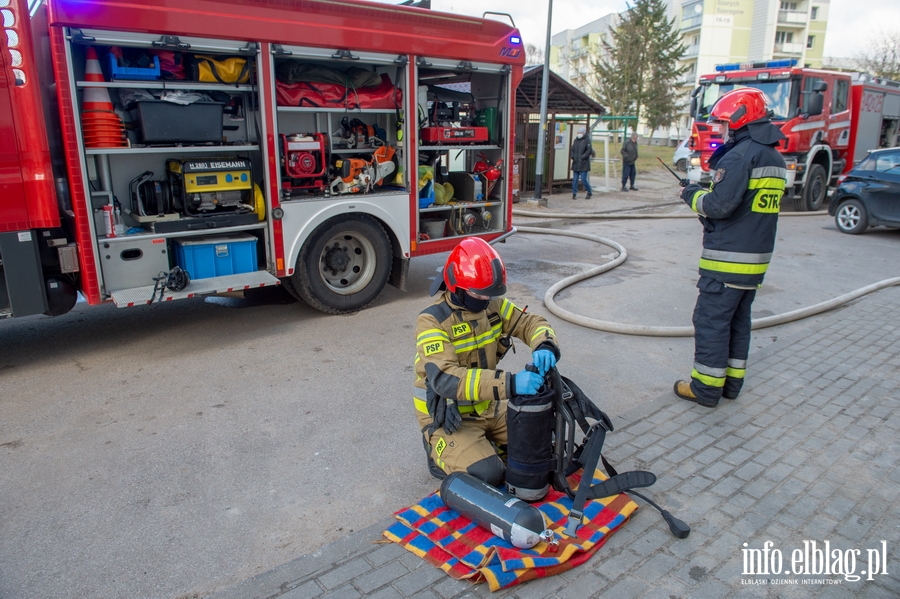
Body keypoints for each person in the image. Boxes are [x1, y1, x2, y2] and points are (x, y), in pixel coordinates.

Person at [413, 237, 561, 486]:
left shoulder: (493, 305)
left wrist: (544, 344)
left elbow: (530, 323)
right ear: (456, 286)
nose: (484, 300)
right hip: (449, 415)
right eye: (478, 294)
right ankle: (435, 448)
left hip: (488, 405)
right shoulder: (431, 321)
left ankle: (485, 444)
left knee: (542, 445)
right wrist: (511, 384)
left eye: (489, 295)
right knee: (489, 474)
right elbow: (446, 378)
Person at [674, 88, 786, 408]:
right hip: (755, 262)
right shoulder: (773, 157)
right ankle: (731, 384)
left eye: (724, 124)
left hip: (728, 262)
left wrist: (691, 195)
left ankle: (706, 388)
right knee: (738, 321)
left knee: (710, 321)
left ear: (740, 119)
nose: (721, 130)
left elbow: (719, 205)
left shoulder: (740, 155)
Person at [570, 128, 595, 199]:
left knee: (583, 179)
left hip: (584, 163)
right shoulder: (576, 140)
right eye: (578, 132)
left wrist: (582, 157)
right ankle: (574, 193)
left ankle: (589, 192)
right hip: (576, 162)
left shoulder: (587, 140)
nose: (578, 134)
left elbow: (589, 150)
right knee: (575, 179)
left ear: (583, 133)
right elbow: (572, 149)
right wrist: (573, 156)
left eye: (580, 132)